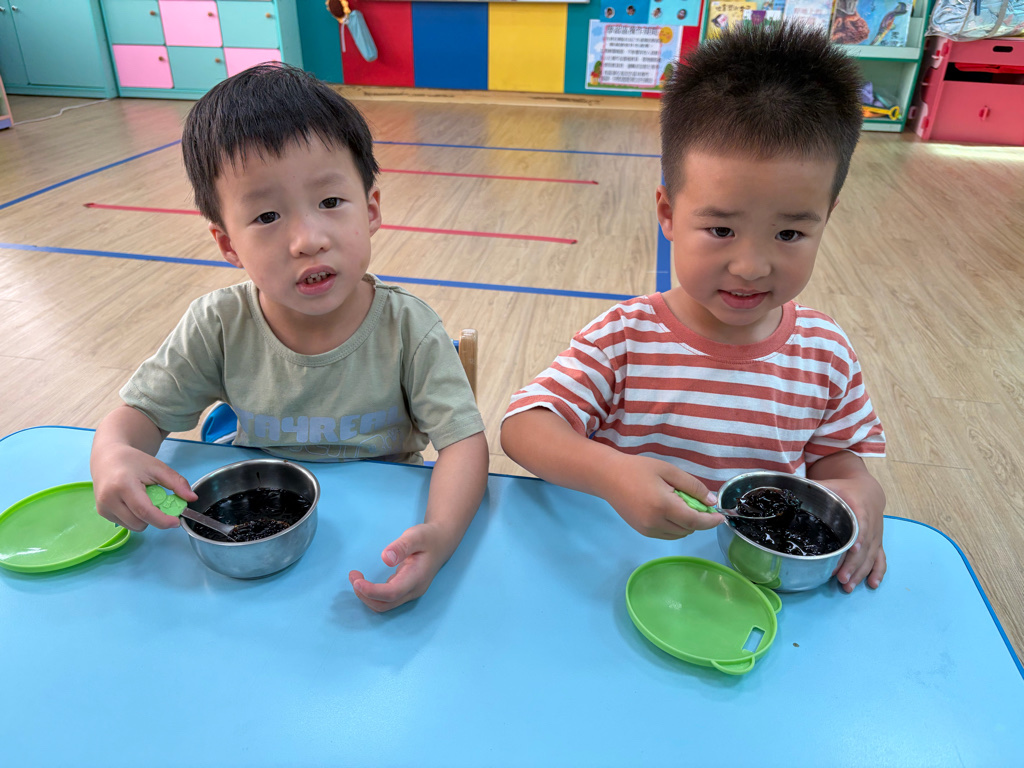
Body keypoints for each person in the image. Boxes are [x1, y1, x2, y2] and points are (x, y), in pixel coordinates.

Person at [500, 23, 887, 593]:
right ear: (668, 213)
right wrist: (611, 474)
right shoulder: (624, 338)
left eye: (789, 234)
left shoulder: (825, 354)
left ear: (826, 217)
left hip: (753, 588)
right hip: (627, 577)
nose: (751, 266)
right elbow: (524, 427)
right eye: (721, 229)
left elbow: (836, 462)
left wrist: (861, 492)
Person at [90, 64, 488, 612]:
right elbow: (138, 415)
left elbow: (464, 444)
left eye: (330, 202)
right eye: (268, 215)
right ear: (228, 244)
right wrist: (112, 455)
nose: (307, 239)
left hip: (376, 539)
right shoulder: (218, 324)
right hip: (255, 550)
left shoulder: (409, 329)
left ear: (371, 208)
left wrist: (441, 533)